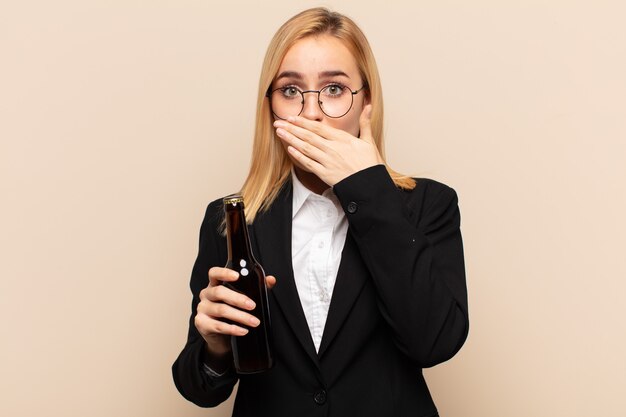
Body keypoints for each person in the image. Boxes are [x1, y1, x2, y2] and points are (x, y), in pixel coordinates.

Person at [172, 7, 469, 417]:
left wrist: (367, 188)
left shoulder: (427, 205)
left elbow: (435, 341)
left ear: (367, 102)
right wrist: (216, 346)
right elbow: (199, 388)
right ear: (271, 107)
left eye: (333, 89)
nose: (311, 113)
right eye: (291, 91)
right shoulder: (232, 221)